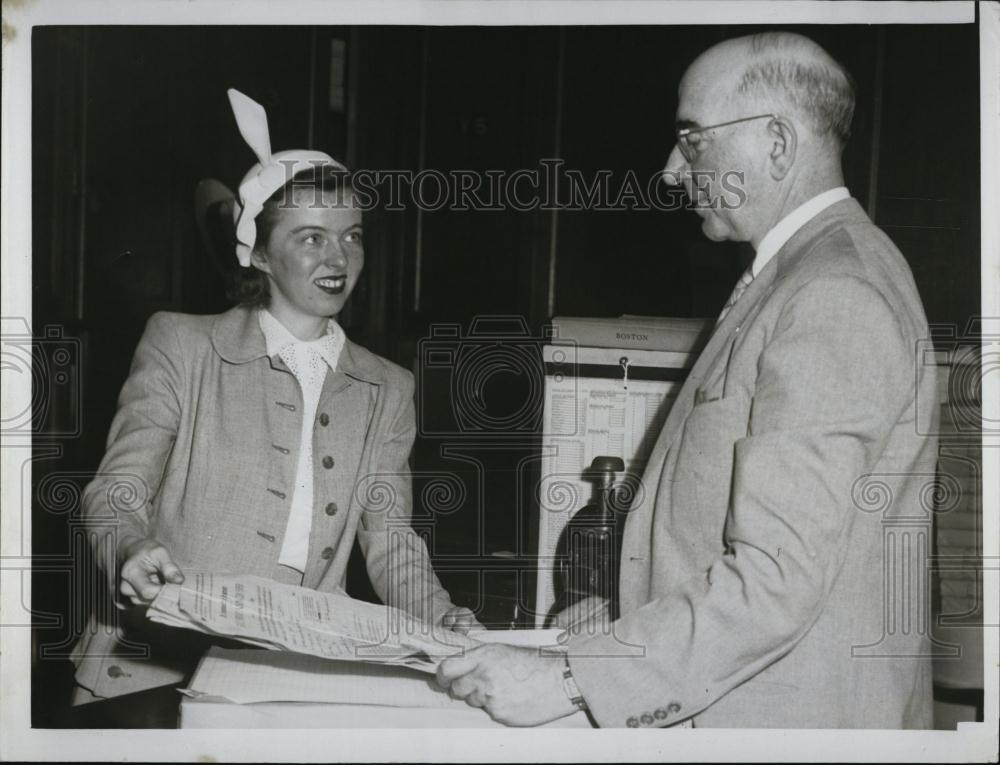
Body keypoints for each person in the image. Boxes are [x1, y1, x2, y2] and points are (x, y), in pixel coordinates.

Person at [436, 32, 938, 728]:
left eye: (693, 138)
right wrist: (620, 615)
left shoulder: (834, 292)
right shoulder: (806, 271)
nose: (673, 170)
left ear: (777, 144)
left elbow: (774, 581)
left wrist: (572, 680)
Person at [70, 89, 477, 702]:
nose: (339, 256)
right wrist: (130, 545)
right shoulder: (182, 345)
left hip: (295, 673)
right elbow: (114, 490)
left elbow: (391, 539)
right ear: (258, 251)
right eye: (311, 237)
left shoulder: (387, 387)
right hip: (153, 663)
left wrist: (442, 618)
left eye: (353, 235)